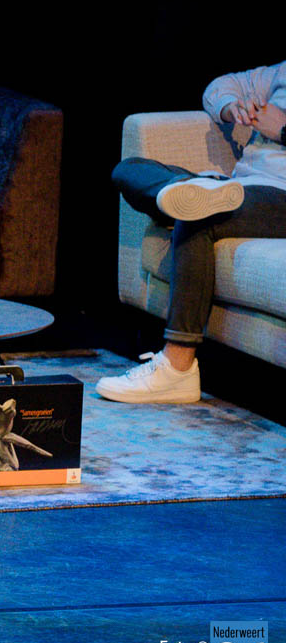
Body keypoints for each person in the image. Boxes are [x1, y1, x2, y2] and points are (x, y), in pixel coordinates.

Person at [99, 61, 286, 403]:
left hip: (281, 194)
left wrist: (284, 130)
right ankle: (186, 190)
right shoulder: (281, 73)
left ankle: (177, 368)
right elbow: (220, 86)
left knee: (198, 211)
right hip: (240, 187)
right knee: (129, 169)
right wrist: (232, 107)